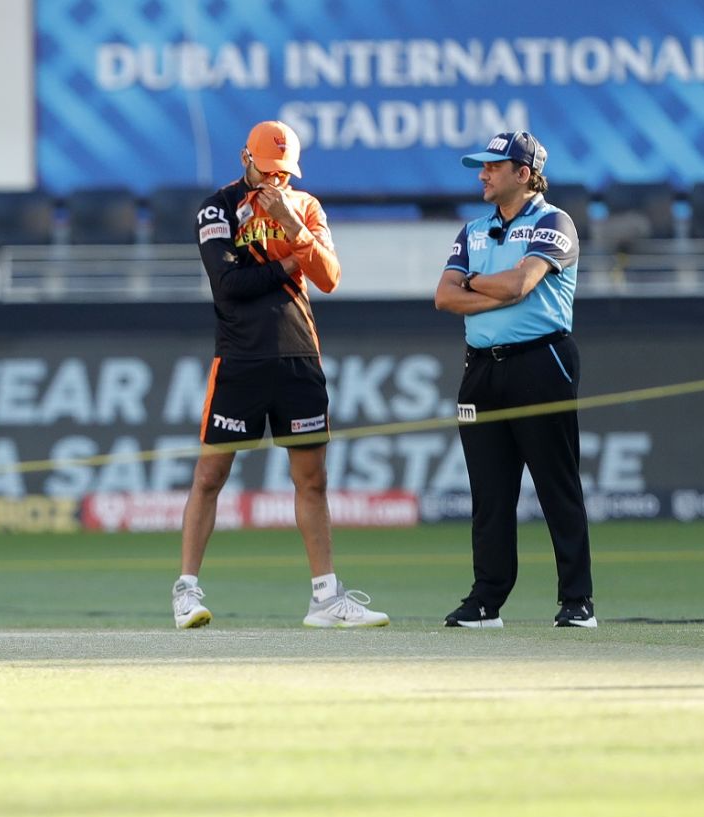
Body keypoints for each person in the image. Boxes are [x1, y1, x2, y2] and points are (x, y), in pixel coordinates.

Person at [171, 119, 390, 630]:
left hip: (298, 356)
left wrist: (292, 228)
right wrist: (291, 265)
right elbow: (228, 285)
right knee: (210, 475)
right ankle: (185, 592)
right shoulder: (217, 208)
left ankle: (326, 599)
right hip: (240, 357)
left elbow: (330, 278)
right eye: (268, 171)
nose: (276, 182)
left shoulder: (306, 206)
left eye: (284, 173)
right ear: (245, 159)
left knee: (312, 480)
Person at [434, 130, 595, 628]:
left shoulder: (554, 221)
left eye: (492, 167)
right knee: (489, 490)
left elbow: (522, 284)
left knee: (555, 482)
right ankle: (487, 601)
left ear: (522, 174)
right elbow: (443, 296)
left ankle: (577, 601)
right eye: (482, 167)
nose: (482, 174)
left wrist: (476, 283)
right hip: (480, 367)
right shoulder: (475, 228)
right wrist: (496, 292)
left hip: (540, 363)